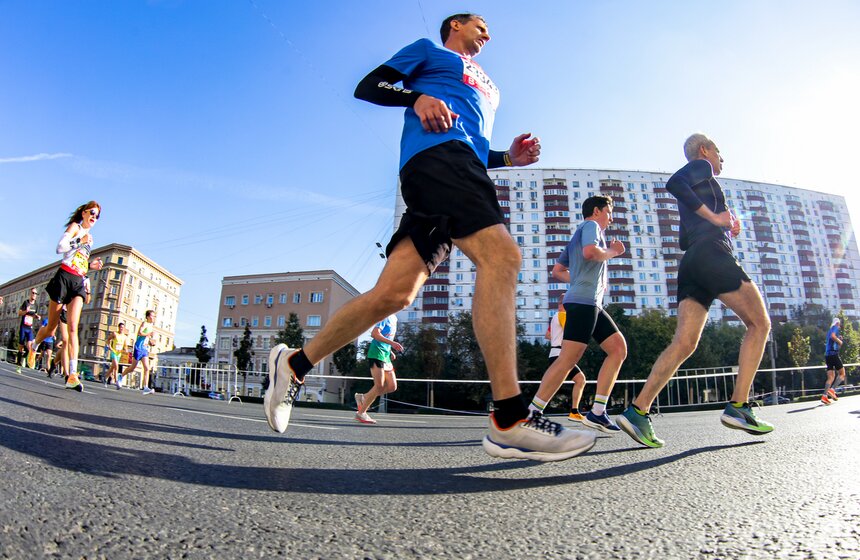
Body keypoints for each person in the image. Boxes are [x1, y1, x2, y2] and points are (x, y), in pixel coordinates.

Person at [264, 13, 594, 461]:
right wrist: (417, 96)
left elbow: (472, 141)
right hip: (437, 161)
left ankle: (294, 364)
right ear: (455, 25)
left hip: (459, 165)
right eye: (480, 24)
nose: (488, 33)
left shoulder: (491, 86)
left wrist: (506, 158)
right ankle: (510, 417)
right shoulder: (430, 50)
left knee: (394, 296)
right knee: (503, 257)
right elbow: (369, 86)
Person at [617, 134, 774, 447]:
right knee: (760, 324)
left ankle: (637, 411)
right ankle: (739, 406)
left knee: (684, 342)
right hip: (712, 256)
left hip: (692, 263)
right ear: (705, 150)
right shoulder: (701, 166)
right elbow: (675, 183)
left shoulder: (702, 186)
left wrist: (724, 223)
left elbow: (683, 241)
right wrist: (717, 219)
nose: (721, 159)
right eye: (719, 151)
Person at [529, 196, 627, 434]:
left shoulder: (578, 233)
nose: (611, 218)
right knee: (567, 359)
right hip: (584, 302)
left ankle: (597, 412)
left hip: (589, 301)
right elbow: (591, 253)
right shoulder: (591, 227)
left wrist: (580, 281)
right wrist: (613, 251)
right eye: (609, 212)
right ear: (596, 211)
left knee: (618, 349)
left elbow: (557, 270)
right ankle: (533, 413)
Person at [28, 202, 103, 391]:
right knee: (51, 328)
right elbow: (60, 248)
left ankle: (72, 374)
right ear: (84, 212)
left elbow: (80, 261)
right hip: (63, 278)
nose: (94, 217)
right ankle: (34, 344)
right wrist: (80, 241)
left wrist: (90, 267)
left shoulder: (90, 239)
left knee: (72, 328)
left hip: (77, 281)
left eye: (98, 215)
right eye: (92, 213)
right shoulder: (76, 228)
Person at [545, 298, 588, 422]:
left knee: (551, 385)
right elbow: (570, 332)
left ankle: (574, 411)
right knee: (580, 380)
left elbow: (547, 336)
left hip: (554, 354)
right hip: (560, 354)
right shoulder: (563, 315)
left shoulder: (555, 316)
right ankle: (574, 412)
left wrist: (557, 338)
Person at [355, 314, 403, 424]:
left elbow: (387, 336)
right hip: (376, 353)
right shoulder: (385, 316)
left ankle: (363, 397)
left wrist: (390, 350)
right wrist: (393, 344)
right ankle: (361, 413)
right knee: (379, 385)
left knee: (392, 386)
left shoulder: (394, 318)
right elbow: (375, 334)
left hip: (385, 354)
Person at [123, 310, 157, 395]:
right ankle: (121, 376)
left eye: (154, 316)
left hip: (144, 349)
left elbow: (147, 338)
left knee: (147, 368)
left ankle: (145, 387)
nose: (154, 318)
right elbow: (140, 333)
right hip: (138, 347)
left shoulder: (151, 326)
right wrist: (149, 334)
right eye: (153, 316)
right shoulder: (144, 323)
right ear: (148, 317)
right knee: (133, 367)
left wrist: (151, 342)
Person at [821, 317, 845, 405]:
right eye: (839, 324)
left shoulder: (829, 330)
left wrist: (838, 338)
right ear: (837, 323)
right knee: (842, 374)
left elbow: (831, 338)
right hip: (833, 354)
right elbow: (833, 336)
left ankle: (824, 396)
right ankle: (832, 390)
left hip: (827, 355)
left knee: (831, 377)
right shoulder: (835, 327)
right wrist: (840, 342)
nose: (839, 326)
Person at [17, 288, 40, 371]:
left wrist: (37, 316)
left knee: (30, 346)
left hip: (30, 328)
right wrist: (25, 311)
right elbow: (19, 313)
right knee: (21, 346)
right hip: (23, 327)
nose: (34, 294)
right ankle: (18, 365)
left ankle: (25, 358)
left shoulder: (36, 305)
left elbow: (34, 314)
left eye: (36, 293)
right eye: (33, 293)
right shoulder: (25, 303)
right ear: (30, 294)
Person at [105, 322, 128, 389]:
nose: (121, 329)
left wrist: (126, 349)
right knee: (116, 367)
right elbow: (108, 339)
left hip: (119, 353)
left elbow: (125, 346)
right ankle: (117, 382)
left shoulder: (124, 337)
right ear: (118, 327)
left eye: (123, 328)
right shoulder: (115, 334)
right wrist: (109, 346)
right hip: (114, 352)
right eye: (120, 327)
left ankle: (105, 378)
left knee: (112, 368)